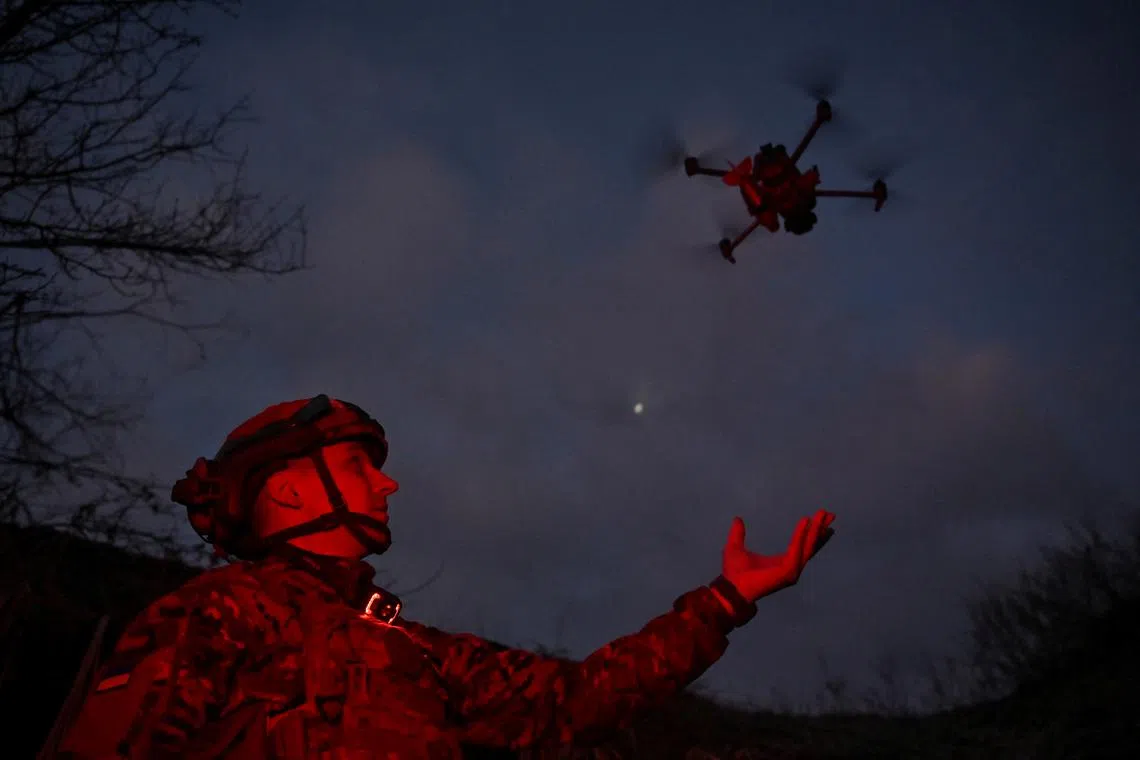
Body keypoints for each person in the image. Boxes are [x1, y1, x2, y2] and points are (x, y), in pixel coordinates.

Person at [56, 395, 836, 759]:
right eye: (359, 465)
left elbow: (575, 702)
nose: (387, 483)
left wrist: (724, 601)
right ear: (288, 491)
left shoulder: (412, 648)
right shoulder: (216, 613)